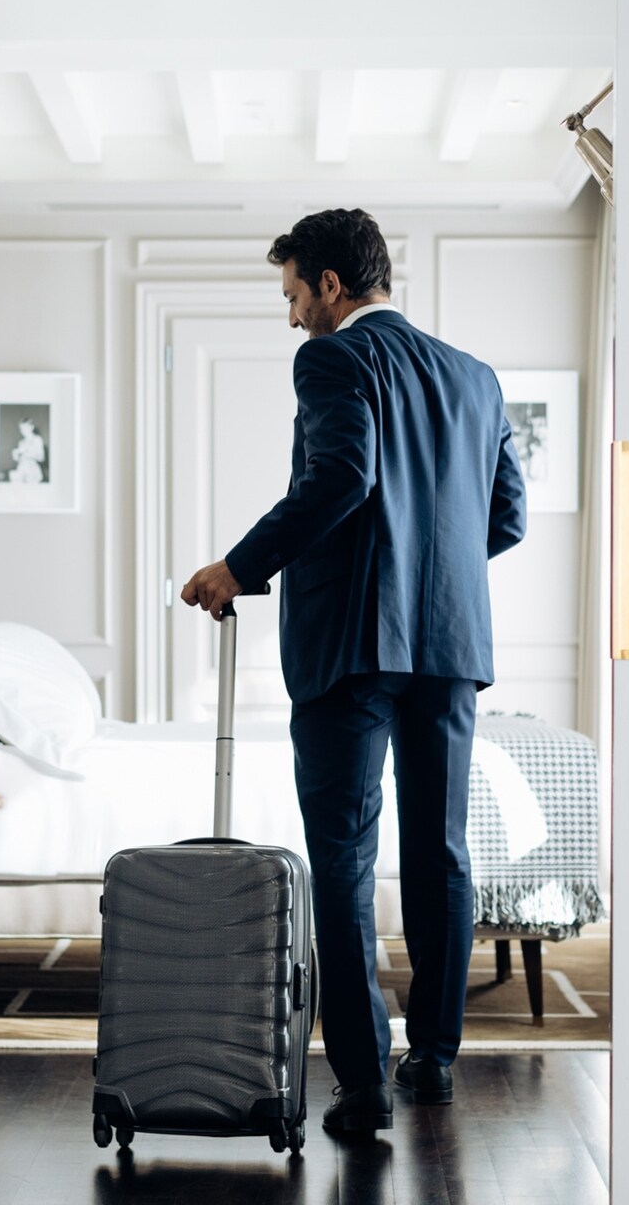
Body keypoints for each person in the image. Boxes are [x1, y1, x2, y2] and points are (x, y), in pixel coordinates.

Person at [181, 209, 526, 1137]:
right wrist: (433, 569)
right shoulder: (477, 379)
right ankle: (438, 1059)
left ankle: (365, 1079)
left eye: (294, 295)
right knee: (440, 850)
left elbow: (338, 479)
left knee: (343, 854)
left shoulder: (334, 360)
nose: (293, 317)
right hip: (450, 650)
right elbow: (508, 519)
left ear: (332, 284)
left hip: (349, 649)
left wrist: (237, 567)